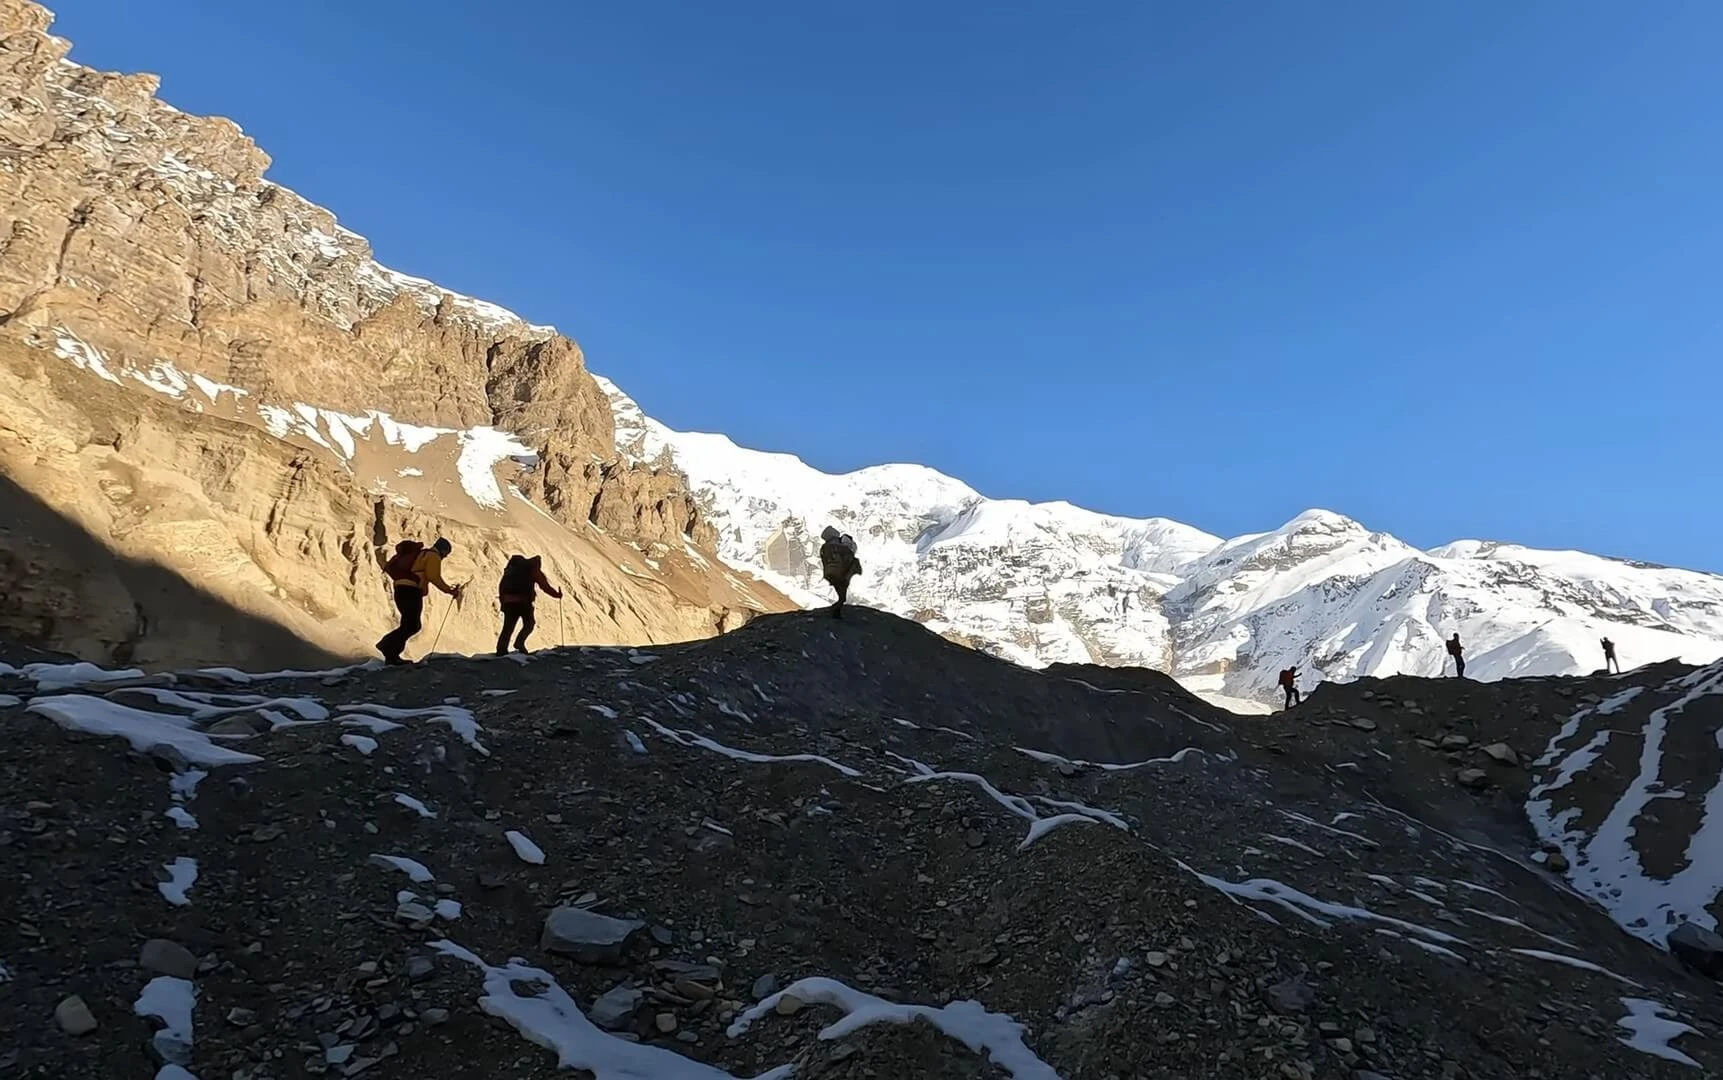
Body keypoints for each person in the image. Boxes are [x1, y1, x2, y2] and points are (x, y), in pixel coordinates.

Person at [376, 537, 462, 665]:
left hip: (400, 589)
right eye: (446, 554)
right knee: (413, 625)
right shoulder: (433, 556)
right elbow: (434, 577)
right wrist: (449, 591)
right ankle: (387, 647)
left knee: (408, 623)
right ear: (443, 551)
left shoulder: (422, 554)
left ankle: (391, 655)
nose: (445, 557)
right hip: (411, 590)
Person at [497, 554, 562, 655]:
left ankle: (501, 650)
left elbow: (501, 586)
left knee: (508, 627)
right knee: (529, 624)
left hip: (509, 603)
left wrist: (503, 602)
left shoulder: (511, 570)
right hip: (524, 603)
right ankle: (519, 643)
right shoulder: (533, 569)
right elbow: (544, 585)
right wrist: (556, 595)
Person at [818, 526, 862, 618]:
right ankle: (836, 612)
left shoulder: (826, 547)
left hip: (832, 573)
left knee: (841, 594)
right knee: (842, 595)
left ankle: (836, 610)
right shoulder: (842, 543)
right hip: (843, 573)